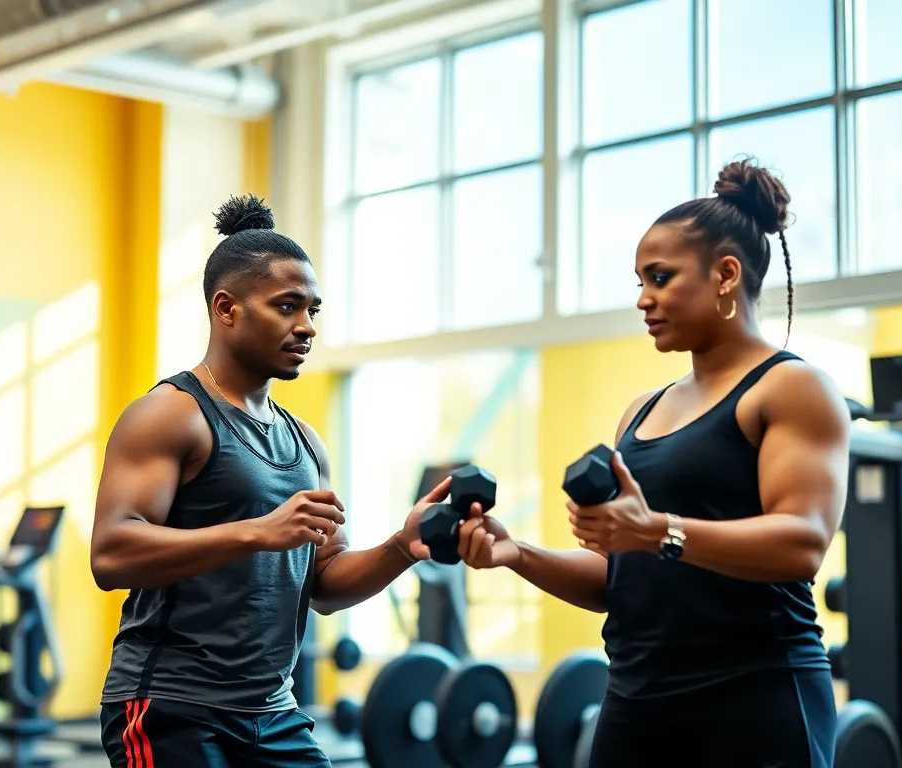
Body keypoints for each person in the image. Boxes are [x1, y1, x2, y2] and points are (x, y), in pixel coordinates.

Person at [457, 158, 850, 767]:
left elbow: (802, 544)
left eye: (661, 278)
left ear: (725, 274)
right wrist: (517, 554)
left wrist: (655, 530)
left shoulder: (790, 388)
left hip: (753, 699)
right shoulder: (642, 411)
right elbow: (617, 579)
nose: (644, 299)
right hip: (637, 703)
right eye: (640, 280)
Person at [89, 194, 470, 768]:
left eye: (313, 309)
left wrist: (402, 546)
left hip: (273, 711)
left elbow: (325, 586)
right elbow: (111, 555)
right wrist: (256, 532)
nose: (307, 326)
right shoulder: (170, 415)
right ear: (227, 308)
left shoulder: (306, 443)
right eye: (287, 307)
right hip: (170, 706)